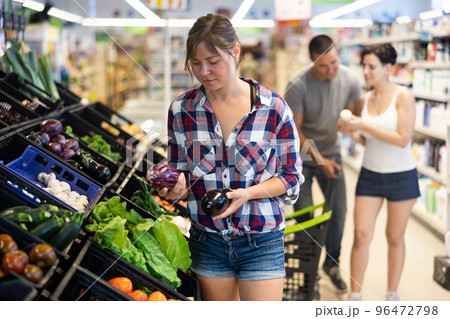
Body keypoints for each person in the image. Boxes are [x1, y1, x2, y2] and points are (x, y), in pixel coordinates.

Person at [158, 13, 303, 301]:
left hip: (262, 238)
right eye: (195, 64)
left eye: (213, 62)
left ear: (235, 51)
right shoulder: (181, 110)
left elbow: (291, 178)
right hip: (207, 240)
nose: (203, 72)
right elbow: (182, 177)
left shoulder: (273, 108)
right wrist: (175, 187)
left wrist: (247, 194)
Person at [340, 43, 420, 301]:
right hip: (370, 175)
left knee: (394, 236)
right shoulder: (365, 99)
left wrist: (363, 124)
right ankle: (354, 295)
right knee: (361, 235)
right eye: (363, 66)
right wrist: (351, 132)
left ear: (388, 68)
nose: (365, 71)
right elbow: (368, 140)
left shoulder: (403, 96)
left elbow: (402, 139)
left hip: (401, 175)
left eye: (371, 66)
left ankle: (392, 293)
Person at [284, 35, 361, 294]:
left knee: (338, 214)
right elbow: (295, 131)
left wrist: (353, 123)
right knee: (306, 215)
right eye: (323, 65)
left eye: (334, 63)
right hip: (303, 158)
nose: (331, 70)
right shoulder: (298, 83)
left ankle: (331, 265)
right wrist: (320, 161)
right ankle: (309, 273)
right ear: (311, 61)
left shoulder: (349, 78)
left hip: (333, 155)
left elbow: (357, 113)